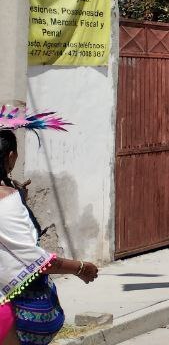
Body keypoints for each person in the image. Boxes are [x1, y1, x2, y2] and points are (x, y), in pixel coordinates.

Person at [0, 110, 97, 345]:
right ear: (11, 157)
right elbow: (38, 260)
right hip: (10, 313)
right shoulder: (7, 203)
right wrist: (81, 267)